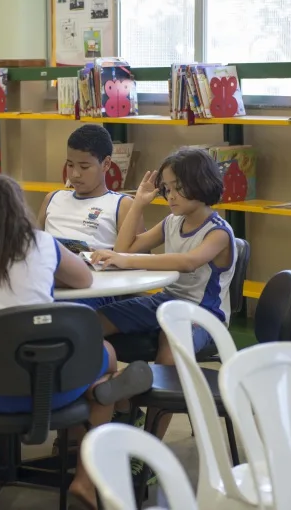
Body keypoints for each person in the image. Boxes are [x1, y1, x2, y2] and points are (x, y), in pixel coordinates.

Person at [0, 174, 152, 508]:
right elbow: (84, 278)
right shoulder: (41, 243)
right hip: (55, 389)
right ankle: (85, 475)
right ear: (20, 209)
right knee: (104, 355)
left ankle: (94, 403)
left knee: (21, 357)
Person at [91, 147, 236, 443]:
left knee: (169, 350)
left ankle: (150, 445)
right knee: (90, 324)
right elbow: (124, 248)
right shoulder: (172, 222)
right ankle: (121, 402)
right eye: (166, 189)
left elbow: (188, 262)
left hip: (200, 313)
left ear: (202, 182)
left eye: (178, 189)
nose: (170, 196)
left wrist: (127, 260)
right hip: (164, 301)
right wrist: (138, 205)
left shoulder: (219, 232)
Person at [37, 124, 136, 310]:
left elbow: (137, 259)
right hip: (47, 285)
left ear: (106, 164)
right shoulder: (52, 198)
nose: (74, 174)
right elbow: (32, 245)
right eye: (70, 164)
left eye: (84, 166)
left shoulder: (122, 205)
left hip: (94, 290)